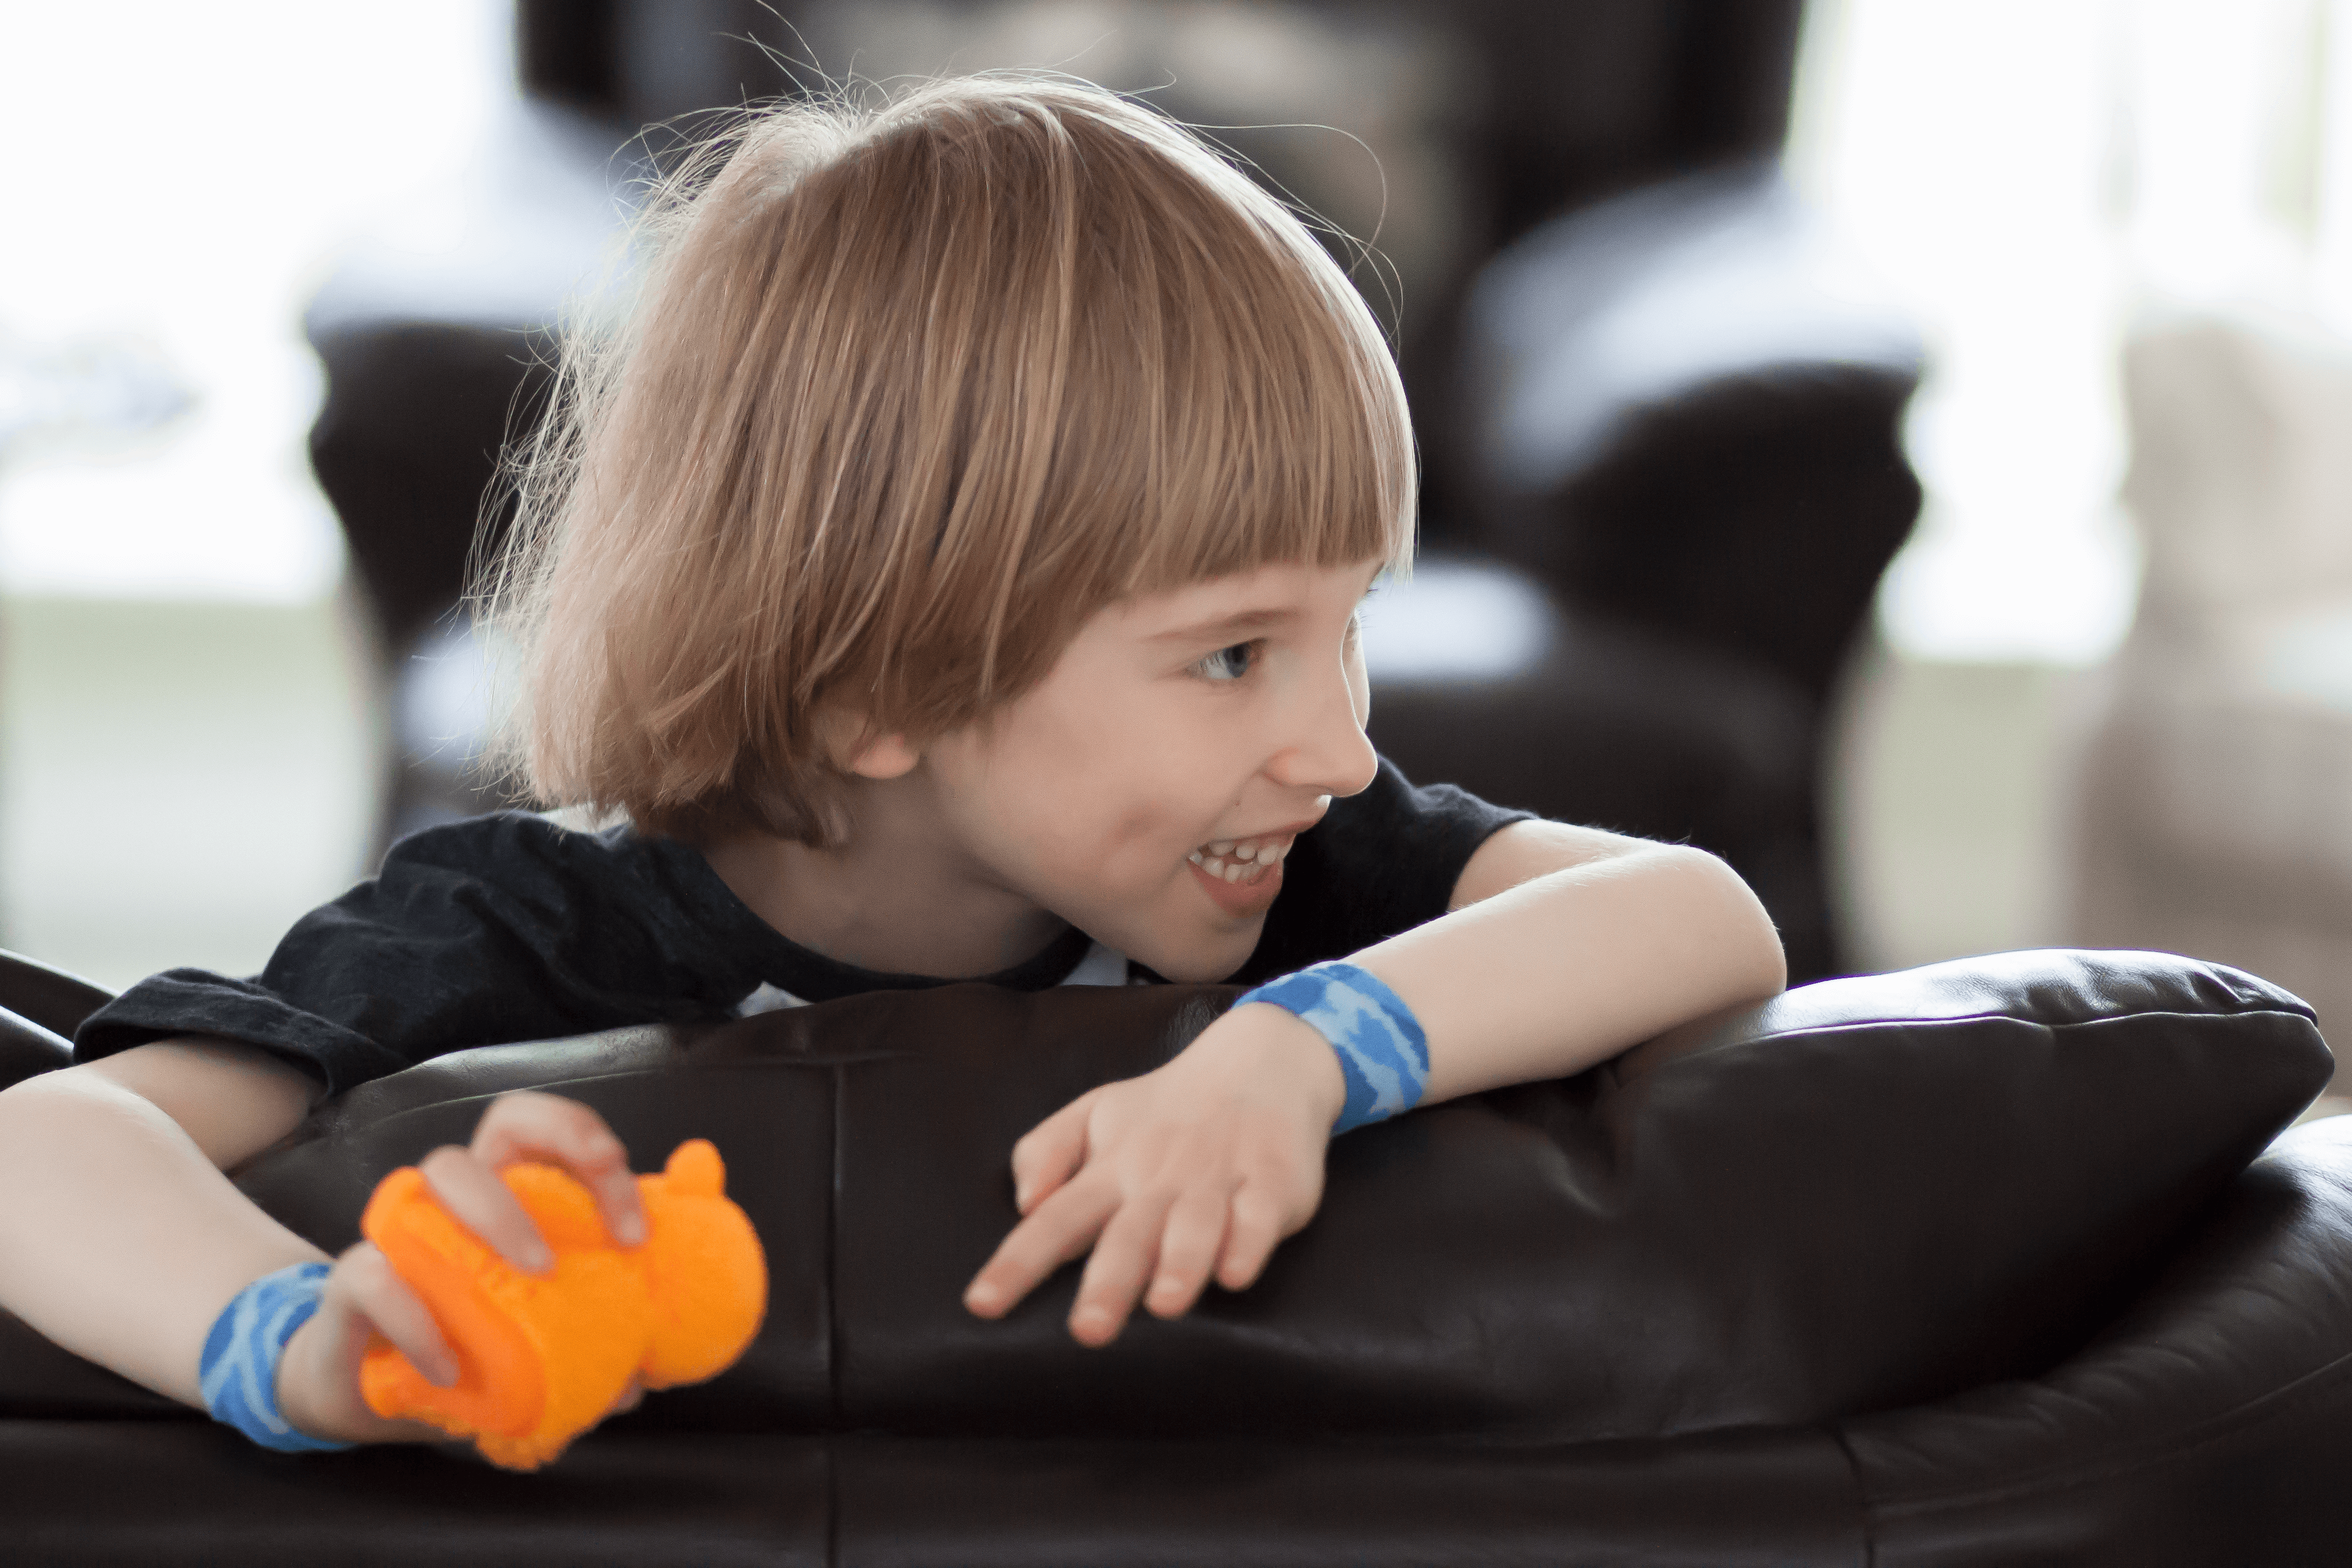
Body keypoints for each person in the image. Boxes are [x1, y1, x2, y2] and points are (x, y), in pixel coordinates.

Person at [0, 75, 1784, 1455]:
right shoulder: (516, 924)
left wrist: (1298, 1055)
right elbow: (44, 1149)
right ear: (882, 682)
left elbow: (1696, 919)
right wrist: (304, 1350)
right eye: (1233, 655)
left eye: (1349, 630)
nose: (1336, 743)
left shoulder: (1307, 866)